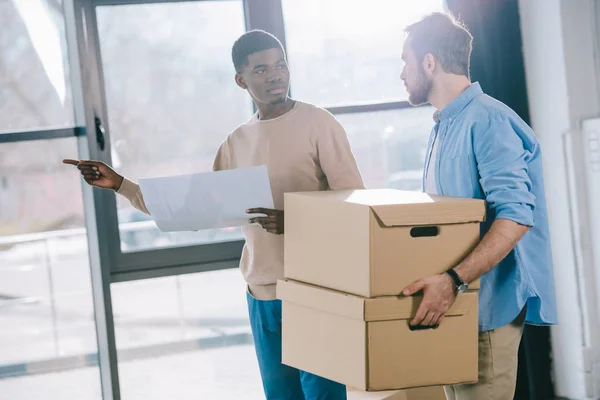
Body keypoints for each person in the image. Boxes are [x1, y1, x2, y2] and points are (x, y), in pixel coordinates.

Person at [64, 29, 363, 400]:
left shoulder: (320, 124)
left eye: (281, 65)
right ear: (241, 79)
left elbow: (356, 207)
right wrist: (122, 184)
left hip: (313, 291)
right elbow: (193, 206)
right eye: (261, 69)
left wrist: (296, 222)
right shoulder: (235, 143)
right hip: (261, 296)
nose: (275, 75)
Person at [398, 12, 557, 400]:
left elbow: (517, 216)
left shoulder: (488, 120)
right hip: (451, 304)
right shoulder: (444, 126)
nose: (402, 74)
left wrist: (453, 281)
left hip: (485, 306)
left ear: (429, 62)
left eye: (405, 61)